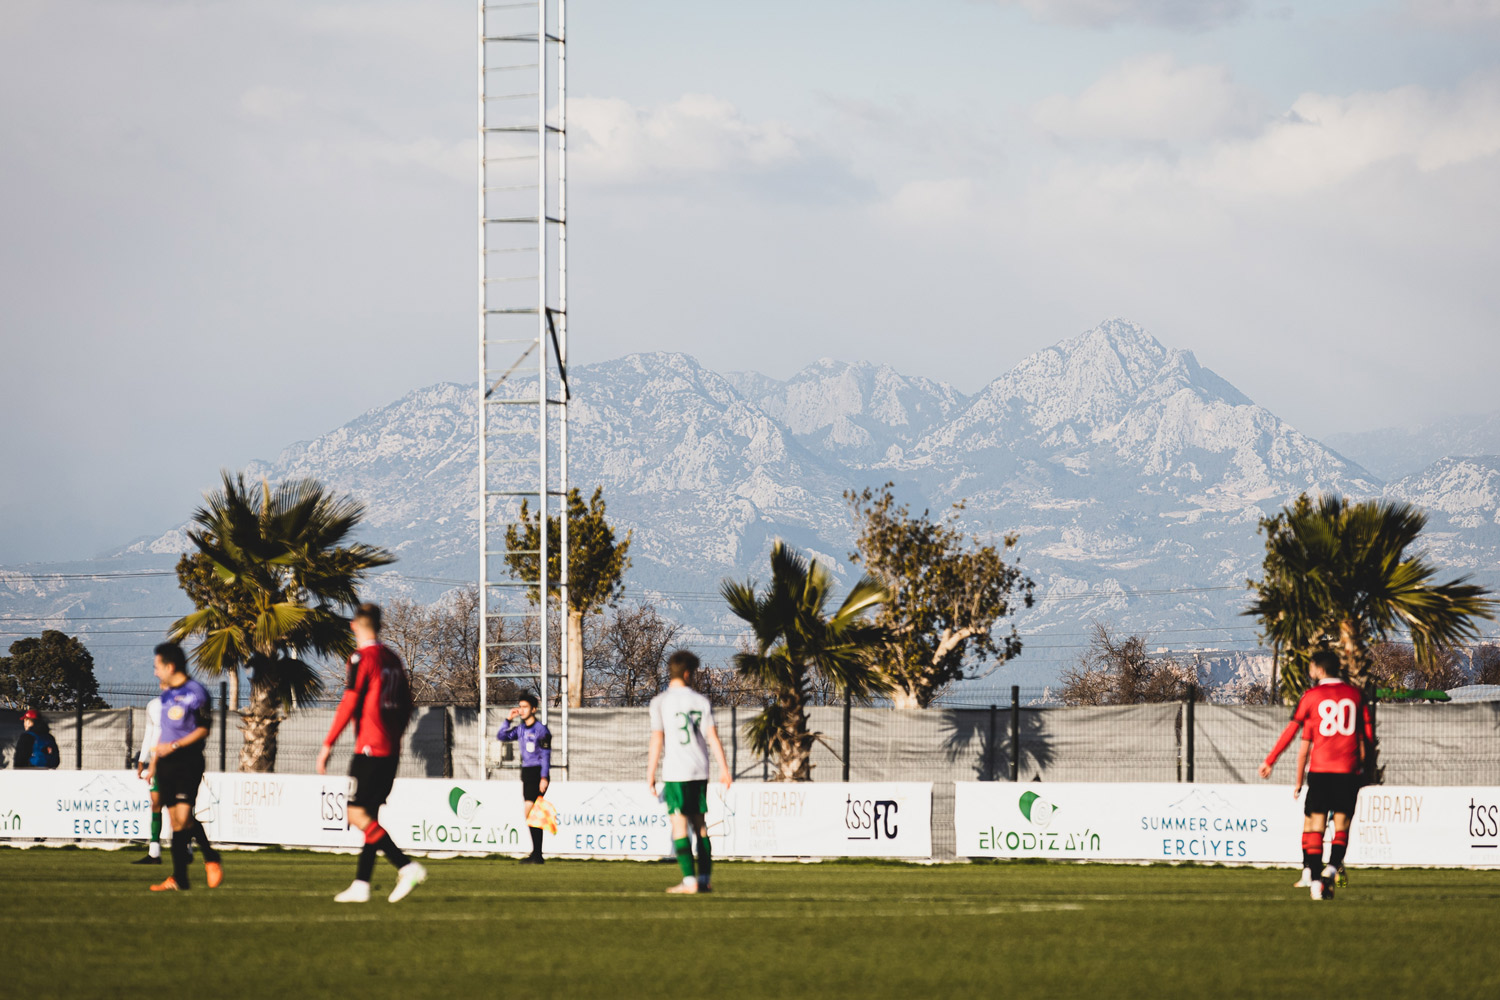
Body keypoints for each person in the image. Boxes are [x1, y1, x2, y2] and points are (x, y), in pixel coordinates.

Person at [316, 603, 426, 903]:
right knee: (371, 817)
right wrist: (396, 736)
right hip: (389, 748)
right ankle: (362, 884)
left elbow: (350, 700)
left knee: (355, 813)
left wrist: (328, 743)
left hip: (368, 748)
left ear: (354, 625)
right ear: (380, 625)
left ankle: (407, 865)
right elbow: (406, 705)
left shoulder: (362, 657)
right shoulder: (392, 658)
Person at [1259, 649, 1373, 900]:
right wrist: (1365, 768)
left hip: (1321, 771)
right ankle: (1331, 871)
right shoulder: (1356, 695)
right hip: (1348, 771)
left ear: (1319, 670)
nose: (1310, 670)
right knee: (1342, 825)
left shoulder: (1312, 696)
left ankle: (1312, 877)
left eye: (1311, 666)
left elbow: (1292, 730)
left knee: (1315, 825)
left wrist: (1271, 759)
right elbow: (1368, 736)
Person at [646, 650, 732, 895]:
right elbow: (712, 737)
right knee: (701, 826)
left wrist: (650, 772)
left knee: (679, 827)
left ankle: (689, 882)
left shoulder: (660, 702)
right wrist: (724, 770)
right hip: (700, 770)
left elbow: (657, 739)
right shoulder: (701, 701)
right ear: (687, 673)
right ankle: (704, 879)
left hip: (676, 771)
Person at [147, 642, 225, 892]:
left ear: (170, 666)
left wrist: (177, 745)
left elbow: (204, 728)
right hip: (166, 764)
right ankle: (180, 878)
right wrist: (154, 762)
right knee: (177, 821)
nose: (156, 672)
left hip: (188, 761)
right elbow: (164, 733)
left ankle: (209, 857)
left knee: (182, 817)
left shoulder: (197, 692)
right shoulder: (166, 695)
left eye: (157, 667)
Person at [497, 692, 551, 864]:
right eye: (520, 706)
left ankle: (537, 854)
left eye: (525, 707)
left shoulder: (541, 730)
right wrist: (508, 720)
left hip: (537, 772)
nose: (521, 710)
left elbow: (546, 755)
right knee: (532, 814)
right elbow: (501, 736)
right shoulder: (520, 729)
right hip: (526, 773)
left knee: (530, 811)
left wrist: (544, 777)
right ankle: (537, 855)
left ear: (534, 709)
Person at [132, 680, 171, 865]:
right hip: (157, 762)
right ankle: (154, 852)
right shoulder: (153, 705)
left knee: (182, 809)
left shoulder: (184, 704)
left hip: (178, 761)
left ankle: (187, 847)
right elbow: (150, 732)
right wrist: (142, 759)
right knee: (156, 803)